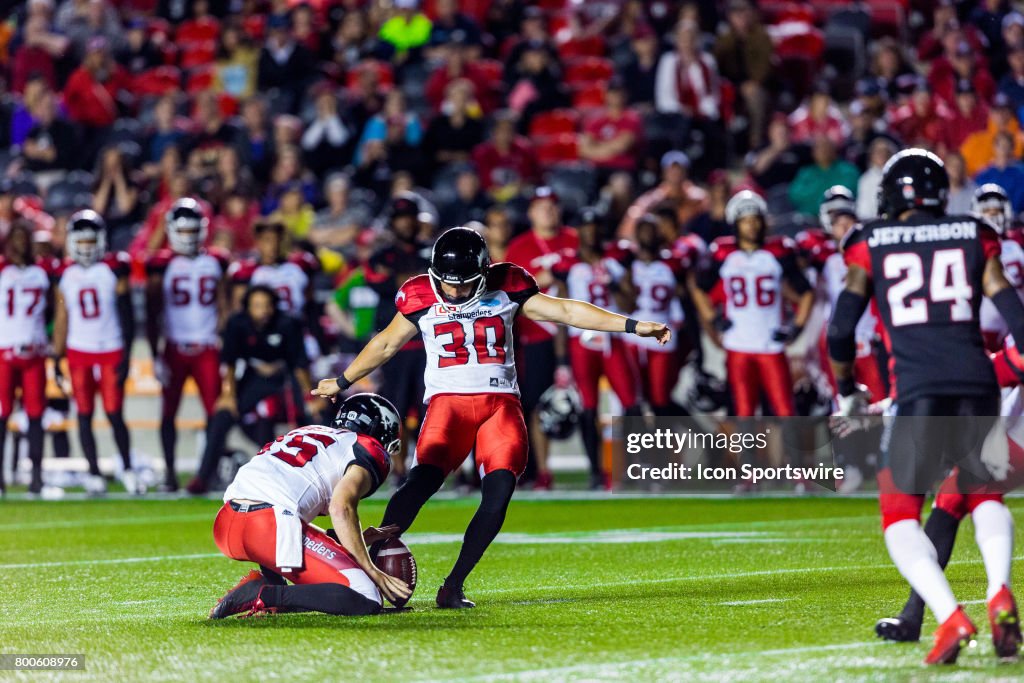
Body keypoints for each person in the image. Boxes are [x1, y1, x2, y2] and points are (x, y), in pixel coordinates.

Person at [311, 227, 670, 608]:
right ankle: (357, 555)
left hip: (500, 406)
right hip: (447, 407)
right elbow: (385, 342)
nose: (456, 293)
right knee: (418, 487)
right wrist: (342, 380)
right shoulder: (419, 295)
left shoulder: (508, 284)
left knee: (497, 497)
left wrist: (633, 325)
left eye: (466, 284)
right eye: (449, 285)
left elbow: (565, 310)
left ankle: (454, 584)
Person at [828, 149, 1024, 664]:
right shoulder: (972, 233)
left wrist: (848, 388)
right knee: (984, 496)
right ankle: (1000, 592)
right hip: (979, 381)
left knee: (898, 511)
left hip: (919, 388)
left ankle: (950, 618)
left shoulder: (868, 243)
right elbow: (1007, 303)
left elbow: (841, 330)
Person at [209, 393, 410, 618]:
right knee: (366, 597)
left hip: (228, 522)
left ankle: (272, 590)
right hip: (268, 524)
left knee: (287, 519)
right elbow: (340, 507)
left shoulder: (307, 432)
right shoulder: (367, 448)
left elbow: (277, 498)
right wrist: (373, 571)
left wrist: (355, 538)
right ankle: (263, 594)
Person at [188, 285, 321, 494]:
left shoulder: (289, 323)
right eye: (258, 306)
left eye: (267, 306)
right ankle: (203, 477)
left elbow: (299, 365)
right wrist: (228, 394)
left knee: (314, 414)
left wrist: (308, 395)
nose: (263, 311)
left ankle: (321, 474)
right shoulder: (236, 323)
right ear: (248, 307)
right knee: (222, 415)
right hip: (253, 377)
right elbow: (229, 363)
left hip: (284, 377)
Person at [693, 191, 814, 418]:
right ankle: (747, 456)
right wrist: (713, 318)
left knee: (785, 411)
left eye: (755, 219)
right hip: (738, 344)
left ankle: (786, 455)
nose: (751, 226)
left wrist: (796, 328)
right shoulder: (723, 252)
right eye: (746, 220)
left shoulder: (779, 251)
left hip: (770, 344)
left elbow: (807, 292)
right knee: (743, 413)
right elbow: (699, 289)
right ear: (736, 224)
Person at [145, 198, 232, 492]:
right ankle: (169, 472)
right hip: (174, 347)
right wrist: (154, 351)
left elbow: (224, 305)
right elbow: (152, 310)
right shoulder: (161, 264)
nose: (187, 238)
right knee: (168, 412)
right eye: (181, 232)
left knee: (214, 414)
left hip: (208, 345)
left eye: (191, 231)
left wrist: (226, 342)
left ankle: (207, 473)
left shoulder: (216, 261)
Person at [52, 211, 136, 495]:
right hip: (79, 352)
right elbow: (62, 317)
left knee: (114, 414)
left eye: (91, 240)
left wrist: (127, 351)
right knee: (85, 414)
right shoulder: (65, 273)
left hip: (110, 348)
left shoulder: (113, 268)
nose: (87, 246)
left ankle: (127, 468)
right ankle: (94, 472)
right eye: (82, 240)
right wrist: (56, 355)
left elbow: (127, 314)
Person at [555, 212, 639, 488]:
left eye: (595, 228)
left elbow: (630, 303)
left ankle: (631, 466)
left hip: (612, 338)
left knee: (631, 403)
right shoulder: (568, 264)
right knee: (588, 407)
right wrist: (562, 359)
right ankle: (595, 470)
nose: (590, 234)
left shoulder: (615, 260)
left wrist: (611, 282)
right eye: (586, 228)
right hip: (582, 342)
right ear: (578, 231)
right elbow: (562, 313)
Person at [505, 187, 579, 489]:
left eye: (552, 206)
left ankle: (604, 469)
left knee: (583, 402)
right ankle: (543, 470)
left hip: (577, 333)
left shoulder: (574, 239)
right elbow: (509, 295)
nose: (548, 212)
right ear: (531, 212)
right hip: (536, 337)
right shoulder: (519, 247)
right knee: (535, 404)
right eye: (541, 207)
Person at [0, 222, 52, 495]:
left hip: (34, 352)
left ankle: (36, 476)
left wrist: (51, 338)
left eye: (25, 239)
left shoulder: (42, 272)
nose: (20, 245)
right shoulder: (2, 269)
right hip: (4, 351)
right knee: (2, 413)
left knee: (35, 416)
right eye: (16, 239)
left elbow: (55, 311)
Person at [622, 214, 686, 415]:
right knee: (635, 400)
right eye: (644, 230)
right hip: (633, 338)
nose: (648, 235)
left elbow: (684, 299)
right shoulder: (628, 266)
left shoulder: (673, 264)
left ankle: (698, 437)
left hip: (662, 337)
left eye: (652, 230)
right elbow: (625, 303)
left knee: (661, 400)